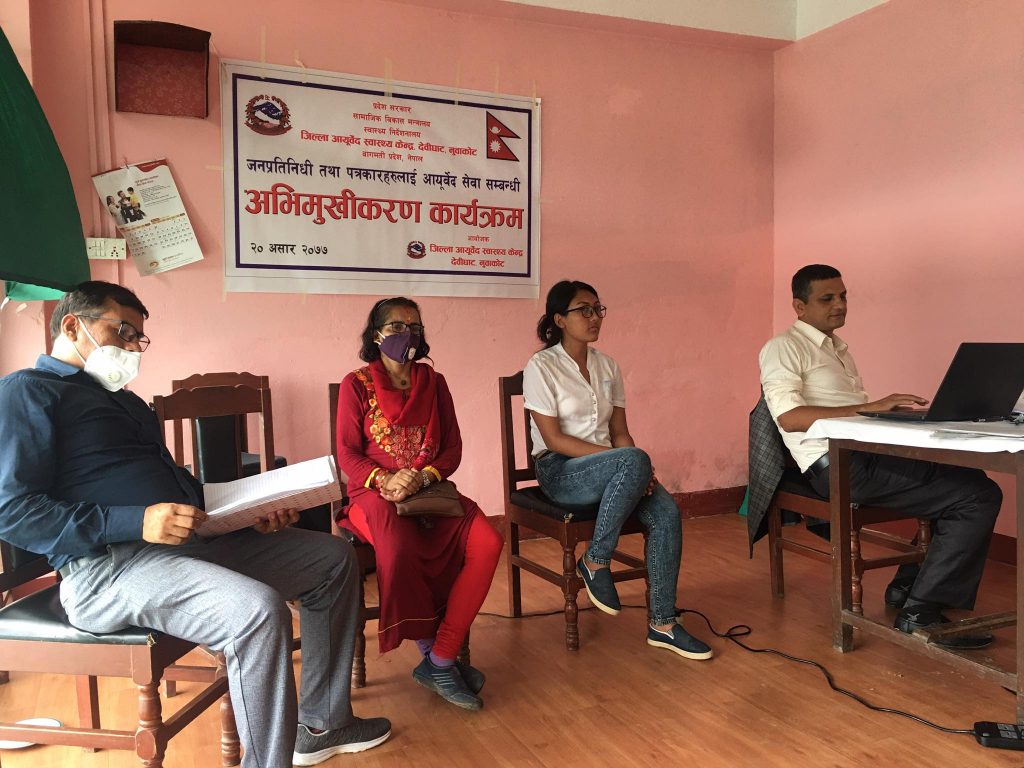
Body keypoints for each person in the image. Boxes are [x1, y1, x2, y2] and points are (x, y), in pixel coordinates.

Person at [0, 281, 391, 767]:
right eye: (120, 331)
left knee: (331, 559)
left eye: (138, 337)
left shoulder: (124, 402)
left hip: (189, 544)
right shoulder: (28, 392)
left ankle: (323, 723)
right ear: (73, 325)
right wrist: (136, 521)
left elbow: (178, 493)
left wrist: (250, 517)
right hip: (108, 569)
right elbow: (13, 513)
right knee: (257, 611)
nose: (130, 346)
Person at [759, 264, 1002, 649]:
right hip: (839, 466)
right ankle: (920, 611)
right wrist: (874, 405)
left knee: (969, 482)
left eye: (843, 297)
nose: (839, 305)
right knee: (979, 496)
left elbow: (851, 410)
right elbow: (789, 418)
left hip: (864, 454)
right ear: (799, 306)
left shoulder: (837, 348)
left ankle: (907, 588)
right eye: (827, 299)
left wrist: (890, 413)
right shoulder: (782, 348)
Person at [522, 279, 713, 660]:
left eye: (598, 309)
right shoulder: (541, 366)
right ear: (560, 319)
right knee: (634, 459)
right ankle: (595, 561)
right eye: (584, 310)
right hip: (560, 472)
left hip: (614, 469)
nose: (594, 317)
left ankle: (663, 624)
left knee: (666, 513)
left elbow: (621, 433)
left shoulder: (608, 366)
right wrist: (625, 464)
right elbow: (555, 440)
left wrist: (637, 471)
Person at [335, 297, 503, 711]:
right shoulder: (355, 384)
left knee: (487, 542)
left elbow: (452, 448)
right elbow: (346, 454)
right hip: (374, 493)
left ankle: (441, 658)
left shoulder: (434, 382)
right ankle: (433, 655)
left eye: (414, 326)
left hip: (430, 489)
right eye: (395, 327)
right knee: (400, 548)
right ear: (376, 335)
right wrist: (388, 478)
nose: (406, 335)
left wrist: (423, 476)